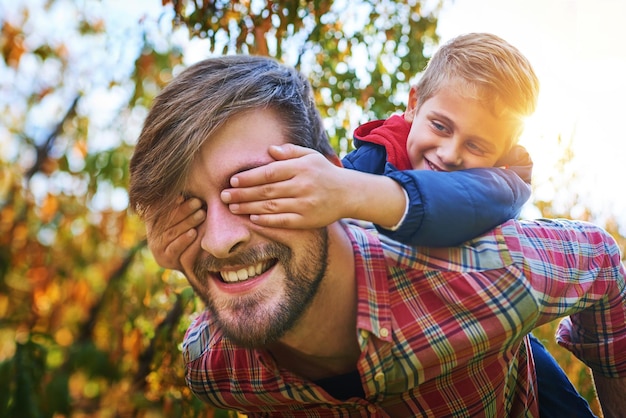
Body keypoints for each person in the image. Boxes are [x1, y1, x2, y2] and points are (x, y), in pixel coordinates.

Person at [129, 54, 626, 417]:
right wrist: (191, 256)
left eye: (253, 190)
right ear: (414, 106)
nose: (216, 239)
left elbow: (601, 261)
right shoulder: (215, 370)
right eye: (189, 212)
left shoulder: (497, 265)